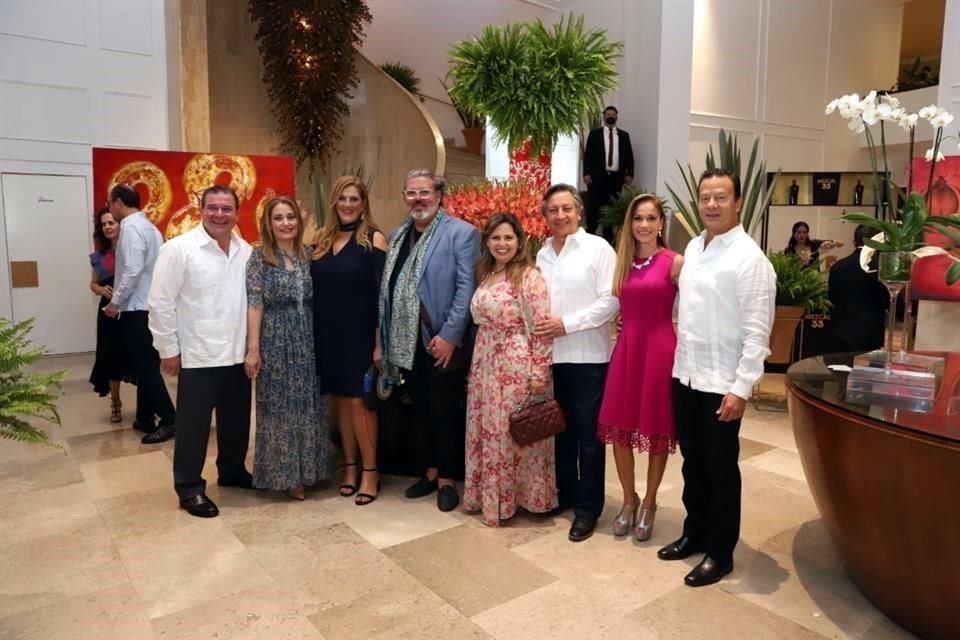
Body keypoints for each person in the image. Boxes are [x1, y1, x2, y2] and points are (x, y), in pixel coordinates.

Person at [658, 169, 776, 587]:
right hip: (686, 376)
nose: (711, 204)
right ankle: (695, 532)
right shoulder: (693, 247)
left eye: (720, 197)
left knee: (721, 469)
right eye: (705, 197)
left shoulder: (750, 260)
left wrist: (740, 388)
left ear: (738, 202)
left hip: (722, 385)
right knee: (693, 464)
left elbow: (758, 332)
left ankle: (721, 552)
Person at [148, 185, 254, 518]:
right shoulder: (179, 250)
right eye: (213, 208)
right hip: (198, 353)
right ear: (201, 209)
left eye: (226, 209)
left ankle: (233, 471)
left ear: (237, 212)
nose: (219, 214)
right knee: (193, 428)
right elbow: (160, 302)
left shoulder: (246, 251)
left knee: (236, 420)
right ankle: (189, 487)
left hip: (237, 354)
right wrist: (168, 349)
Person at [378, 169, 479, 513]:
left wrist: (450, 336)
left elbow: (467, 287)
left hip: (441, 340)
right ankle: (431, 471)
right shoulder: (397, 236)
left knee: (445, 410)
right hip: (407, 340)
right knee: (419, 407)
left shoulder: (461, 234)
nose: (417, 199)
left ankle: (449, 479)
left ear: (439, 195)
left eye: (424, 192)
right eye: (411, 193)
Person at [535, 184, 619, 542]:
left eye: (566, 208)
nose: (560, 216)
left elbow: (611, 301)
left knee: (589, 437)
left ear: (579, 211)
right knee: (563, 434)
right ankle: (566, 495)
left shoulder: (598, 249)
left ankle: (588, 509)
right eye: (553, 210)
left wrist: (566, 325)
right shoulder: (542, 255)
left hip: (589, 358)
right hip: (554, 359)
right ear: (546, 215)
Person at [598, 194, 683, 540]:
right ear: (629, 224)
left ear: (661, 223)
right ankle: (629, 500)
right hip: (627, 349)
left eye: (651, 218)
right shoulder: (622, 262)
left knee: (657, 429)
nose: (644, 225)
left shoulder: (675, 262)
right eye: (638, 219)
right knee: (620, 427)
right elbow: (615, 304)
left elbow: (692, 309)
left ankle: (649, 502)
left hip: (660, 350)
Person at [463, 213, 557, 526]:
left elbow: (541, 326)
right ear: (487, 242)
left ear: (519, 242)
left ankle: (518, 500)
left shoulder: (528, 276)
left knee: (511, 435)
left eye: (508, 238)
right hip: (485, 362)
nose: (501, 244)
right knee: (488, 432)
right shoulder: (485, 272)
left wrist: (539, 370)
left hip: (515, 364)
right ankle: (489, 498)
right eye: (495, 238)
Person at [246, 197, 330, 501]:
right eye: (278, 218)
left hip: (308, 338)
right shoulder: (259, 258)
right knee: (278, 408)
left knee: (307, 406)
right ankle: (286, 475)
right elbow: (254, 304)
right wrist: (253, 350)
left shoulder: (310, 255)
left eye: (290, 217)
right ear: (269, 224)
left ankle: (309, 470)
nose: (285, 223)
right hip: (275, 339)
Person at [311, 176, 387, 505]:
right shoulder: (321, 240)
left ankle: (371, 471)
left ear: (363, 203)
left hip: (360, 332)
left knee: (360, 401)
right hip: (328, 333)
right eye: (342, 199)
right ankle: (350, 468)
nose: (347, 205)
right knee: (341, 400)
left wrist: (379, 343)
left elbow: (382, 297)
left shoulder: (374, 239)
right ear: (334, 202)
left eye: (354, 199)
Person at [104, 184, 176, 444]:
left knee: (145, 367)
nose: (109, 208)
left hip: (137, 308)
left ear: (119, 202)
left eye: (109, 203)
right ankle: (144, 416)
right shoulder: (150, 228)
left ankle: (169, 419)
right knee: (145, 364)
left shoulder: (132, 229)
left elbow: (132, 270)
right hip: (151, 306)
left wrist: (115, 302)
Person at [88, 206, 134, 422]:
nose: (107, 227)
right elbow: (93, 283)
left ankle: (147, 404)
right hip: (107, 311)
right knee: (111, 355)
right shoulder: (99, 255)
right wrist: (99, 289)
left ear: (120, 225)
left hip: (132, 308)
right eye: (104, 224)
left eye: (111, 223)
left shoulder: (132, 249)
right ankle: (115, 401)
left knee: (135, 355)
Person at [828, 224, 888, 353]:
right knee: (871, 372)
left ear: (854, 242)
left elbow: (832, 298)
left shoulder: (838, 266)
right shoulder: (882, 267)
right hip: (871, 332)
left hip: (842, 329)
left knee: (840, 370)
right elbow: (886, 300)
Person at [583, 106, 635, 240]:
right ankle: (591, 230)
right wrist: (586, 173)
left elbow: (629, 156)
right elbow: (588, 155)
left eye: (613, 114)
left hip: (616, 178)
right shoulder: (595, 135)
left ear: (617, 117)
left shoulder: (624, 136)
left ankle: (608, 233)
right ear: (604, 116)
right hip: (597, 176)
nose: (610, 116)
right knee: (594, 204)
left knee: (612, 206)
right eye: (608, 114)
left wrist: (629, 174)